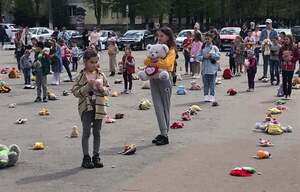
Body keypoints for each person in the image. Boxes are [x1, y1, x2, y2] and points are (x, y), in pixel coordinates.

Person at [72, 49, 109, 169]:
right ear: (85, 62)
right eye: (91, 62)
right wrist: (87, 86)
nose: (94, 65)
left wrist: (102, 88)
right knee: (86, 132)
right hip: (85, 108)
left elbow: (108, 90)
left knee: (97, 132)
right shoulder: (80, 77)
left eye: (96, 62)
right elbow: (75, 92)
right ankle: (86, 157)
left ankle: (96, 156)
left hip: (99, 107)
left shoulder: (101, 75)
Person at [144, 26, 176, 146]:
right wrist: (154, 60)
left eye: (162, 36)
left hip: (165, 79)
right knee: (157, 107)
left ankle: (165, 134)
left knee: (165, 107)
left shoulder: (171, 50)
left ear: (168, 37)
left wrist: (154, 61)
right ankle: (162, 132)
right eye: (158, 36)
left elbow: (167, 64)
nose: (159, 38)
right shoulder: (155, 48)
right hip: (153, 79)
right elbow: (146, 61)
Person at [196, 33, 221, 102]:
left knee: (212, 84)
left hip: (212, 70)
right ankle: (206, 96)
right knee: (205, 84)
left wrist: (211, 55)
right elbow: (197, 57)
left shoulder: (214, 47)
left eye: (208, 39)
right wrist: (203, 57)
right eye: (205, 39)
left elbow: (218, 56)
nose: (206, 40)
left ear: (211, 39)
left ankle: (212, 96)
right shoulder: (203, 48)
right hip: (204, 69)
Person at [279, 35, 299, 99]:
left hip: (291, 66)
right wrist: (283, 59)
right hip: (284, 66)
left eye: (287, 39)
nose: (286, 41)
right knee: (284, 80)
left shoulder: (294, 47)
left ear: (290, 40)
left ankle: (289, 94)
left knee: (289, 81)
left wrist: (292, 59)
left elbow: (297, 56)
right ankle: (285, 94)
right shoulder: (282, 48)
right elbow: (279, 56)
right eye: (285, 39)